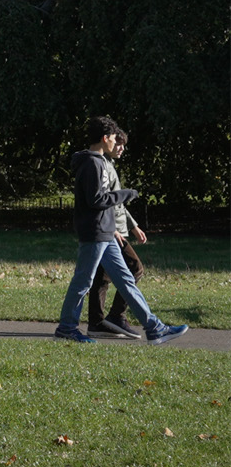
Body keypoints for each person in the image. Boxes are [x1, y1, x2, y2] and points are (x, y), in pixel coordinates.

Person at [55, 117, 187, 344]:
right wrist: (126, 194)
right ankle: (67, 328)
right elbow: (96, 199)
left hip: (106, 232)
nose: (116, 143)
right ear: (105, 138)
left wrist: (115, 228)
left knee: (126, 280)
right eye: (115, 138)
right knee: (83, 281)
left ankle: (155, 328)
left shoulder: (99, 162)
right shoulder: (92, 163)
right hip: (95, 233)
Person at [88, 130, 150, 339]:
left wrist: (133, 226)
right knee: (135, 268)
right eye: (118, 143)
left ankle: (97, 322)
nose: (121, 148)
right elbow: (103, 201)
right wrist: (112, 228)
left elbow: (118, 203)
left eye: (123, 144)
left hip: (117, 230)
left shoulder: (109, 165)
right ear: (107, 141)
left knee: (101, 277)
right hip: (111, 231)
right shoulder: (101, 165)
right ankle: (115, 316)